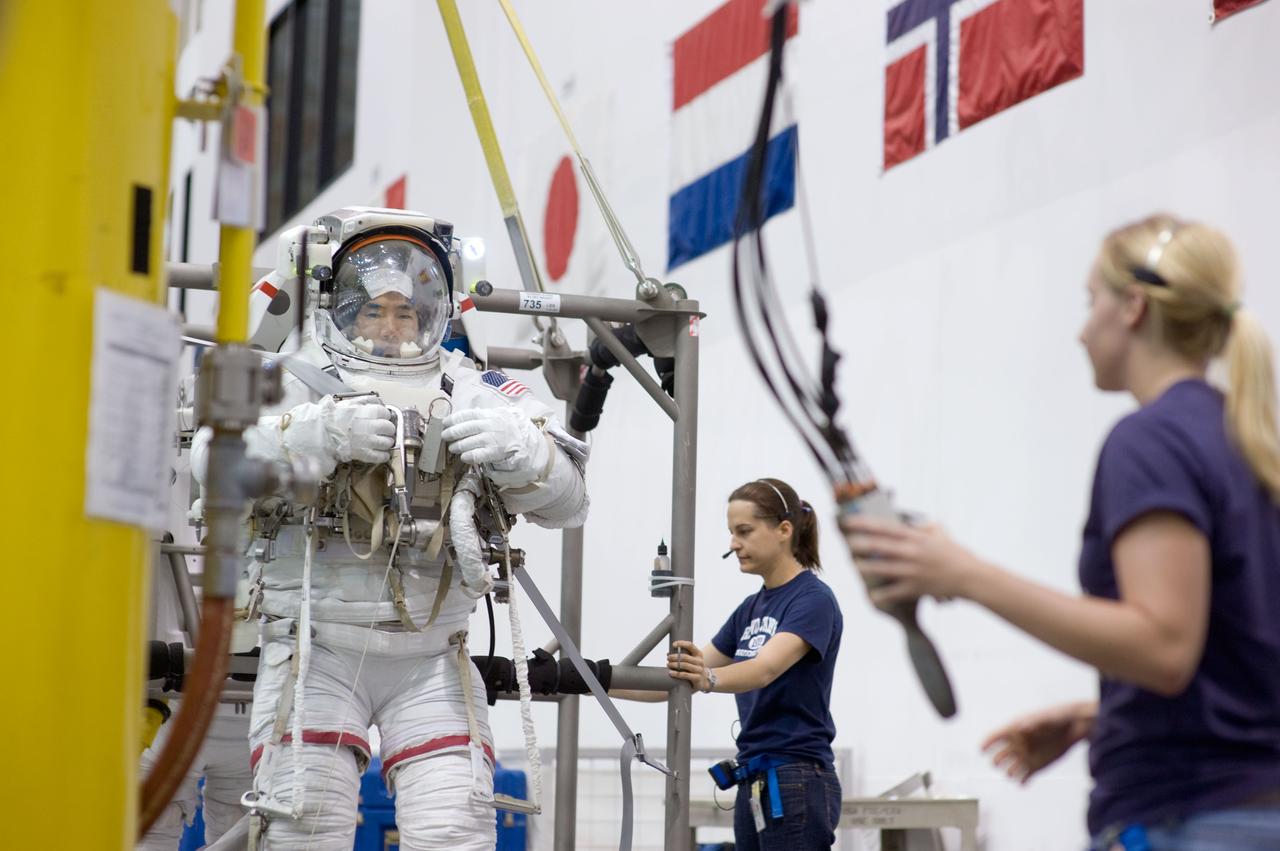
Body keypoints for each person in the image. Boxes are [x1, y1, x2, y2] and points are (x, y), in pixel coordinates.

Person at [843, 214, 1280, 850]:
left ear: (1132, 307)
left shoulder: (1150, 441)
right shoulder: (1245, 440)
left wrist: (964, 575)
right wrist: (1103, 718)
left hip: (1187, 817)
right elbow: (1234, 652)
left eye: (1090, 301)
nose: (1080, 330)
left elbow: (1164, 647)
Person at [191, 206, 590, 849]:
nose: (391, 324)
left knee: (458, 830)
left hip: (431, 654)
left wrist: (527, 454)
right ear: (343, 310)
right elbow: (211, 463)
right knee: (301, 827)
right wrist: (312, 434)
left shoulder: (471, 387)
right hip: (315, 647)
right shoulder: (291, 379)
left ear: (433, 314)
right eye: (374, 309)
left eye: (406, 311)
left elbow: (570, 503)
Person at [645, 478, 844, 849]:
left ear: (784, 530)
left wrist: (707, 677)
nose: (733, 543)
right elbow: (682, 678)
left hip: (795, 778)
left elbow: (764, 668)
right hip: (754, 778)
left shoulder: (813, 600)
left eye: (744, 531)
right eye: (731, 532)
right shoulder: (750, 610)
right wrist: (592, 677)